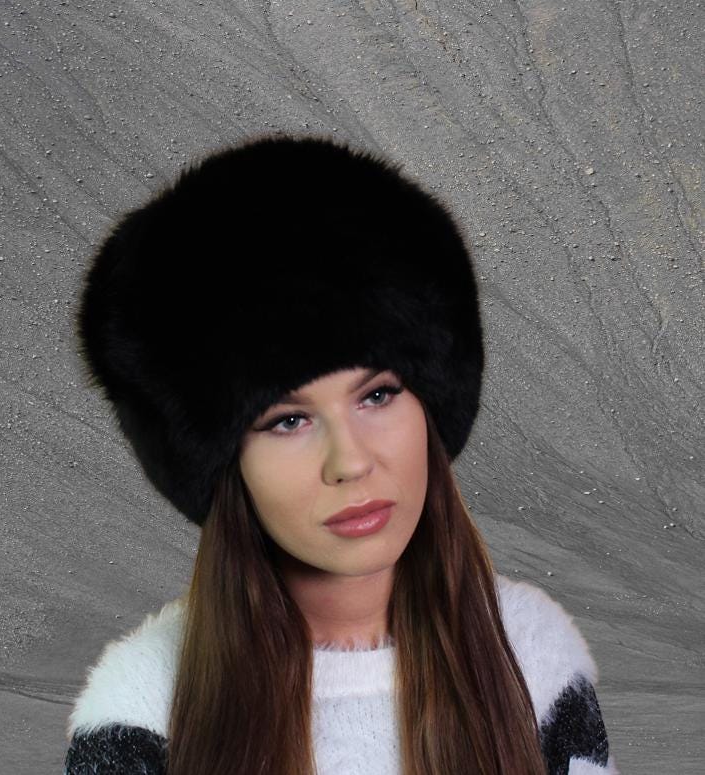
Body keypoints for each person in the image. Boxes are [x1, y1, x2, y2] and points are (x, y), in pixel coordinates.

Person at [63, 133, 619, 774]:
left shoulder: (534, 661)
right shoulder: (142, 708)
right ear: (224, 467)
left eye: (378, 395)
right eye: (288, 420)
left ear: (432, 407)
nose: (350, 462)